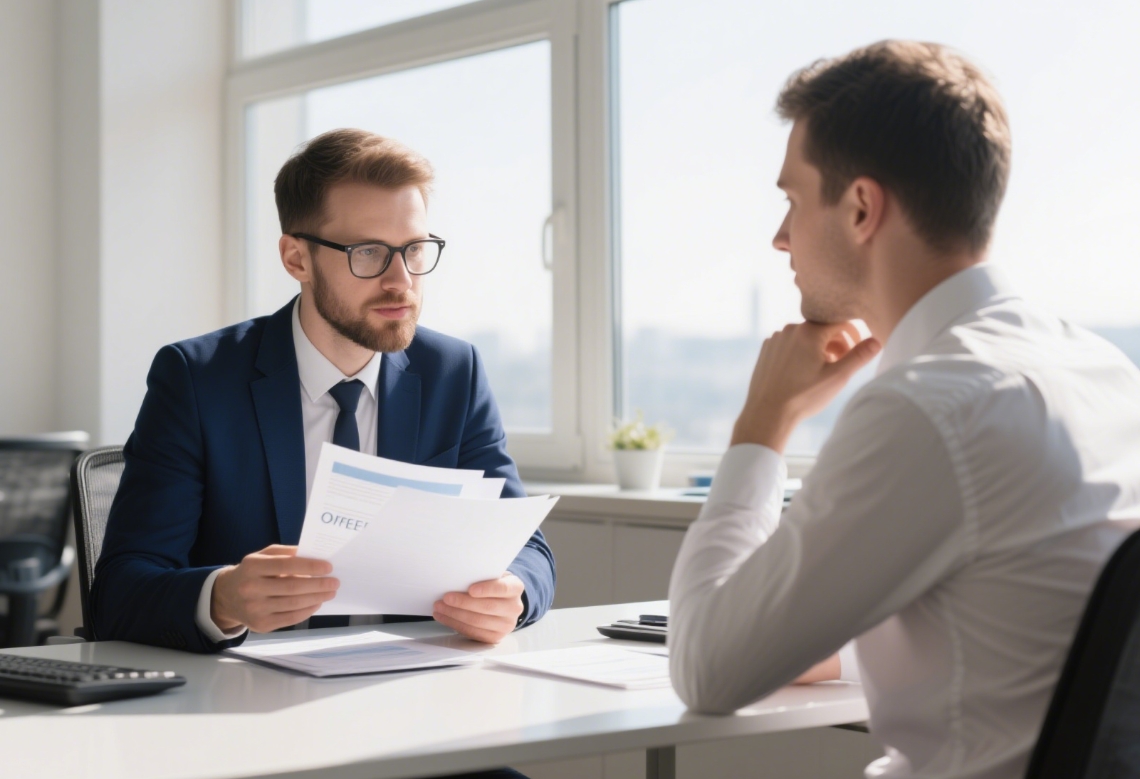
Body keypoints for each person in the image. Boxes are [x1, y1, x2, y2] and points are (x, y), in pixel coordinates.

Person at [668, 40, 1140, 778]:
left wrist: (761, 426)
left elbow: (704, 670)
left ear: (860, 207)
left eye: (793, 199)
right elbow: (1024, 623)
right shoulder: (1104, 372)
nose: (781, 237)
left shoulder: (930, 406)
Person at [92, 129, 556, 657]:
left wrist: (512, 595)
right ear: (297, 259)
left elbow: (527, 549)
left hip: (416, 688)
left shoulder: (454, 372)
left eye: (414, 250)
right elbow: (119, 593)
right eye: (369, 253)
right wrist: (221, 598)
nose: (401, 280)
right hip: (246, 700)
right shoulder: (198, 380)